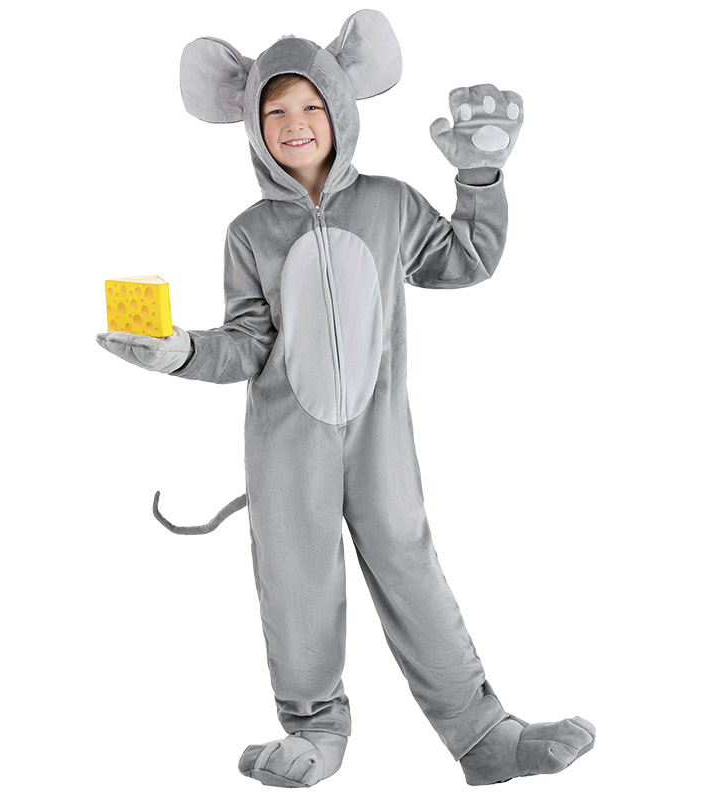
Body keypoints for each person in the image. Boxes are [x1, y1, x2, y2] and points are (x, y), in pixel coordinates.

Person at [97, 10, 595, 789]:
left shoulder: (390, 205)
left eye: (311, 105)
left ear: (340, 109)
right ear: (251, 125)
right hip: (284, 445)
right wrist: (181, 350)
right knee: (296, 582)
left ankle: (481, 734)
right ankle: (314, 731)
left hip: (378, 437)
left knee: (411, 568)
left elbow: (465, 260)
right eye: (275, 110)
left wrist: (479, 181)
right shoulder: (248, 233)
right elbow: (248, 342)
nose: (294, 123)